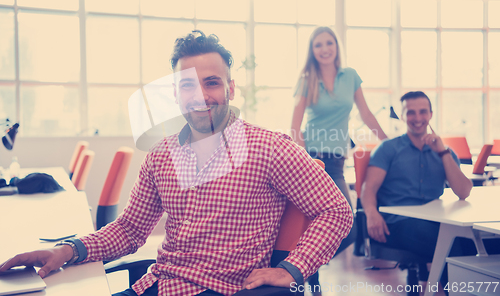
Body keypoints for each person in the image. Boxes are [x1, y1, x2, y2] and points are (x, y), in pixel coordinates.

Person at [0, 31, 353, 296]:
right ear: (175, 94)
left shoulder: (270, 148)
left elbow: (336, 212)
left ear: (231, 86)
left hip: (219, 290)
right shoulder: (161, 156)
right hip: (156, 285)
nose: (199, 95)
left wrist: (293, 269)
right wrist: (66, 250)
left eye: (211, 83)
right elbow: (130, 231)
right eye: (187, 85)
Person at [290, 26, 387, 293]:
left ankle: (305, 267)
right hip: (312, 161)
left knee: (350, 228)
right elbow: (295, 125)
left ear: (336, 46)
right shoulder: (307, 79)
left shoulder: (350, 77)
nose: (324, 49)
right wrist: (302, 162)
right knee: (308, 223)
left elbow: (366, 114)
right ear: (312, 50)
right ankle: (308, 273)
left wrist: (389, 142)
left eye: (329, 43)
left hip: (336, 163)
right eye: (318, 45)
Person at [360, 91, 473, 288]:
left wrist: (443, 152)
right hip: (396, 223)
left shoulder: (444, 151)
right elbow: (368, 189)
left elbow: (463, 191)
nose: (418, 118)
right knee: (450, 245)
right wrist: (371, 214)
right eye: (411, 112)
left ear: (431, 114)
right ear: (402, 116)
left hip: (435, 221)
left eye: (423, 112)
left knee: (476, 241)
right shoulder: (388, 148)